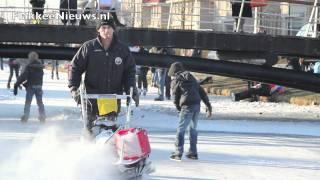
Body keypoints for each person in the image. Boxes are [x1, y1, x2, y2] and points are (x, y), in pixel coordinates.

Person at [68, 17, 139, 137]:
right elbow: (75, 67)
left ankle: (108, 151)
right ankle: (87, 148)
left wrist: (131, 90)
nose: (106, 30)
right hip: (91, 97)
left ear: (114, 30)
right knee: (89, 129)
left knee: (108, 129)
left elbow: (129, 72)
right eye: (103, 28)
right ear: (98, 30)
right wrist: (74, 88)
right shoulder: (89, 47)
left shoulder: (122, 50)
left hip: (111, 97)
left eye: (109, 27)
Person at [168, 62, 212, 161]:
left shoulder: (176, 80)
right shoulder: (191, 77)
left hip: (187, 106)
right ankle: (193, 152)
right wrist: (208, 105)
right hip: (196, 105)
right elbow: (201, 92)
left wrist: (178, 108)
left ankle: (178, 152)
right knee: (193, 129)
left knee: (181, 129)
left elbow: (175, 97)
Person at [13, 51, 46, 123]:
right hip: (39, 86)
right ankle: (42, 116)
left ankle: (26, 116)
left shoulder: (29, 66)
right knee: (40, 102)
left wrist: (16, 84)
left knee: (28, 102)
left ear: (30, 58)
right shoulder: (40, 67)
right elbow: (40, 77)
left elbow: (23, 77)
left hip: (31, 86)